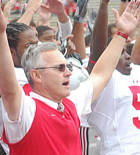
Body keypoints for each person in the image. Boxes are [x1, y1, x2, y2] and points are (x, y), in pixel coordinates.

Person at [0, 0, 140, 155]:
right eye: (59, 68)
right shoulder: (25, 111)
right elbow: (8, 91)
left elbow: (100, 75)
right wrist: (1, 33)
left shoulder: (70, 103)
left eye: (67, 66)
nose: (68, 73)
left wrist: (121, 35)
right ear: (37, 75)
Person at [87, 0, 140, 154]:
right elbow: (97, 52)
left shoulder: (136, 70)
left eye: (127, 52)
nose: (128, 56)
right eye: (121, 53)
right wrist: (104, 4)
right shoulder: (106, 79)